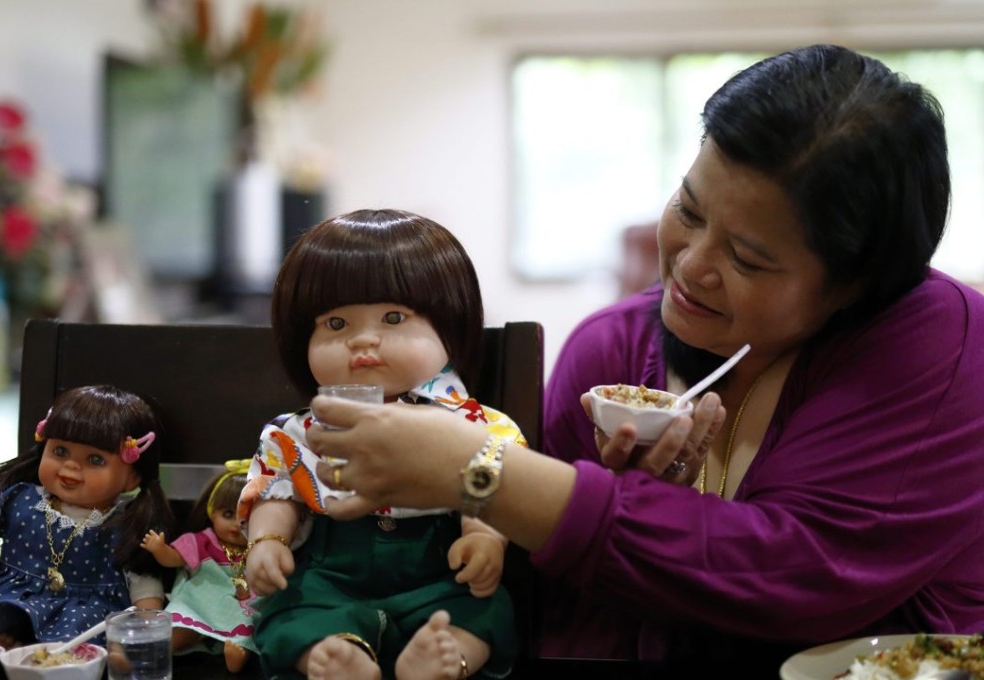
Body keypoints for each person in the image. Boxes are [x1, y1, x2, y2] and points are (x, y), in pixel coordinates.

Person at [299, 44, 984, 674]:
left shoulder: (940, 344)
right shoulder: (613, 349)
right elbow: (558, 615)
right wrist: (632, 508)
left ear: (857, 283)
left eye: (747, 258)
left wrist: (481, 473)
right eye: (689, 209)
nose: (691, 265)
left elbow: (798, 572)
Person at [239, 208, 527, 679]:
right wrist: (268, 541)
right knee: (289, 609)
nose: (363, 340)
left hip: (438, 572)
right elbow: (276, 491)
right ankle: (336, 656)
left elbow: (492, 483)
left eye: (393, 318)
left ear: (450, 326)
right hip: (331, 575)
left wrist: (482, 537)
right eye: (336, 325)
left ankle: (442, 658)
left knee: (483, 609)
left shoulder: (475, 425)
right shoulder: (294, 433)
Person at [0, 384, 175, 648]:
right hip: (7, 600)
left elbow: (143, 583)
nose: (71, 466)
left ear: (132, 477)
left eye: (95, 460)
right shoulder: (17, 499)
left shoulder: (124, 524)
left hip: (84, 618)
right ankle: (3, 642)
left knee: (82, 644)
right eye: (60, 451)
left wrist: (148, 627)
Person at [141, 459, 257, 673]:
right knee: (182, 623)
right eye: (228, 514)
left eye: (246, 518)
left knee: (248, 625)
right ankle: (160, 649)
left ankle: (237, 655)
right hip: (201, 600)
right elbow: (175, 558)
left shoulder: (259, 548)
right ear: (212, 513)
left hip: (239, 605)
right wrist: (160, 549)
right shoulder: (202, 541)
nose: (236, 524)